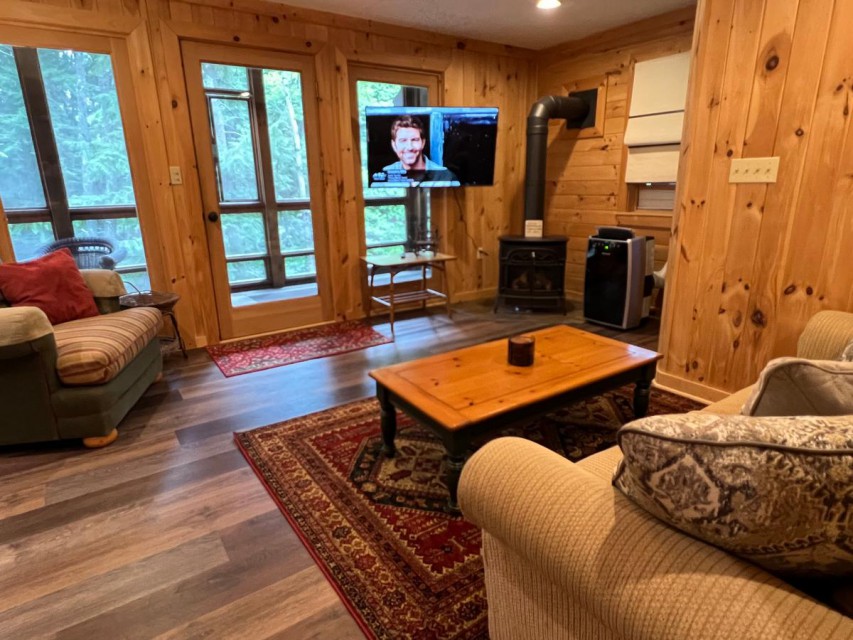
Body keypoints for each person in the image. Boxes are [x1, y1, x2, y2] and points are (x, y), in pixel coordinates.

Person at [374, 115, 459, 187]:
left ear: (423, 143)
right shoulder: (385, 176)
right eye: (403, 140)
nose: (409, 147)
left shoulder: (446, 178)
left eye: (414, 140)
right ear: (394, 145)